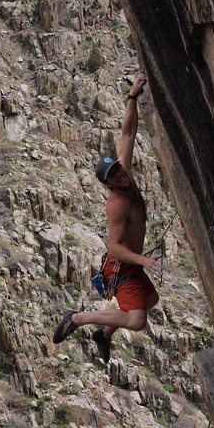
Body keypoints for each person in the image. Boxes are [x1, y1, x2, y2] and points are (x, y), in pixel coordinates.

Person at [52, 73, 160, 362]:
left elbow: (127, 134)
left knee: (151, 300)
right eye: (114, 176)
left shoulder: (124, 172)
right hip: (121, 267)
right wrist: (144, 260)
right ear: (109, 185)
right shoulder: (117, 203)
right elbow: (113, 246)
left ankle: (103, 333)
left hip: (130, 265)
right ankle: (77, 318)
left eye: (118, 169)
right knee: (136, 320)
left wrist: (132, 98)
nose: (121, 175)